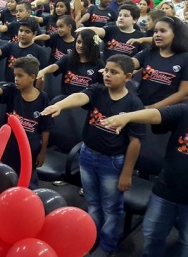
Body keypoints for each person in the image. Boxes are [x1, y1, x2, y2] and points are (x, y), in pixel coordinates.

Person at [101, 75, 188, 257]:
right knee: (152, 235)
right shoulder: (186, 113)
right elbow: (156, 114)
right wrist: (127, 117)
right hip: (165, 193)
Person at [43, 54, 145, 255]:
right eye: (106, 70)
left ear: (128, 76)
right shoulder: (98, 91)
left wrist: (127, 173)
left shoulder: (134, 105)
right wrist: (60, 105)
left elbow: (135, 142)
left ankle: (107, 245)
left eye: (114, 72)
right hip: (88, 156)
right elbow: (81, 96)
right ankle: (92, 236)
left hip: (113, 163)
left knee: (111, 208)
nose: (107, 75)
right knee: (92, 202)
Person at [0, 56, 54, 188]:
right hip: (9, 147)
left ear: (32, 77)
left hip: (30, 150)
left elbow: (45, 128)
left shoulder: (43, 98)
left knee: (28, 183)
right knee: (7, 180)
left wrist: (43, 152)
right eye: (15, 75)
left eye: (20, 76)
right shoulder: (12, 91)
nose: (16, 79)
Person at [132, 16, 188, 108]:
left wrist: (152, 108)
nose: (157, 35)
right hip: (140, 105)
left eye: (163, 31)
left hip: (165, 112)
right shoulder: (149, 52)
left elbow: (184, 94)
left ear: (175, 34)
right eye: (155, 31)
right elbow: (131, 63)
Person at [37, 28, 104, 97]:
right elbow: (55, 66)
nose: (81, 45)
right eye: (79, 42)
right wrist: (43, 71)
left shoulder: (99, 64)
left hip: (86, 103)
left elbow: (102, 87)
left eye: (85, 43)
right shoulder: (68, 58)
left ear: (92, 45)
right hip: (65, 100)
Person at [0, 17, 49, 83]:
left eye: (27, 32)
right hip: (9, 86)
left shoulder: (40, 52)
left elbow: (41, 77)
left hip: (28, 88)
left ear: (34, 34)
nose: (22, 34)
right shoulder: (11, 45)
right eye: (21, 30)